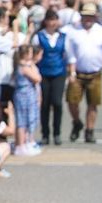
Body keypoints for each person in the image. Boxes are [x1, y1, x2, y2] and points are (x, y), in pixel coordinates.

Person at [65, 3, 102, 144]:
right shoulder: (73, 31)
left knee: (93, 103)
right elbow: (68, 51)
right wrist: (71, 71)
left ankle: (90, 130)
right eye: (85, 16)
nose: (88, 19)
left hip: (95, 73)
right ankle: (77, 122)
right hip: (77, 72)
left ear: (95, 17)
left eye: (91, 16)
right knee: (72, 101)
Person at [32, 10, 68, 146]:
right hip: (43, 73)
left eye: (55, 20)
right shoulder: (39, 36)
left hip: (59, 72)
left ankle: (57, 133)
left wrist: (71, 72)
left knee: (57, 103)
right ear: (46, 21)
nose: (53, 23)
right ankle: (45, 134)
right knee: (45, 104)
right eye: (50, 20)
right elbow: (34, 55)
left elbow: (67, 55)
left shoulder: (63, 36)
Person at [11, 45, 41, 155]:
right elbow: (37, 78)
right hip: (24, 95)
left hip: (25, 94)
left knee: (26, 119)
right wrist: (32, 66)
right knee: (22, 120)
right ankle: (21, 144)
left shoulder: (22, 65)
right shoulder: (24, 67)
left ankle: (26, 142)